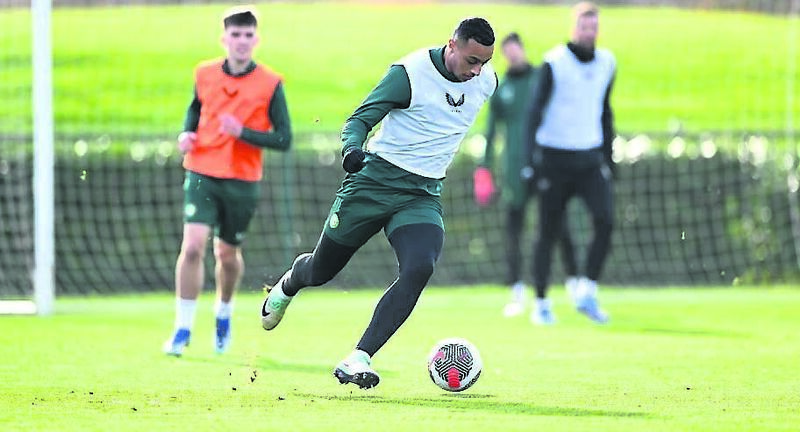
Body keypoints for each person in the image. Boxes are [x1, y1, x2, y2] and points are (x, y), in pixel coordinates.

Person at [259, 17, 497, 389]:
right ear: (451, 44)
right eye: (471, 60)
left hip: (421, 193)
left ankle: (359, 356)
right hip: (373, 183)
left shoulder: (486, 81)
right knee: (321, 271)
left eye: (484, 62)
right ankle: (290, 283)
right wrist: (352, 149)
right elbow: (360, 119)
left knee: (420, 267)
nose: (477, 70)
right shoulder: (409, 74)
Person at [163, 6, 292, 356]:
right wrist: (186, 134)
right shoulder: (204, 73)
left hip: (242, 179)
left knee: (227, 253)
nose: (242, 41)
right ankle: (183, 328)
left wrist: (244, 133)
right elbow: (195, 109)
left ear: (256, 40)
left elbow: (284, 139)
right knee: (192, 246)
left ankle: (223, 312)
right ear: (225, 38)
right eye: (235, 35)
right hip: (202, 170)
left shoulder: (270, 82)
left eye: (248, 35)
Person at [473, 32, 580, 323]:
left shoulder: (541, 80)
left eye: (515, 50)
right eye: (507, 53)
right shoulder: (502, 88)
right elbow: (491, 130)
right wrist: (484, 169)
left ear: (522, 49)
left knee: (558, 226)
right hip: (513, 169)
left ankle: (575, 284)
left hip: (546, 164)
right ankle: (516, 292)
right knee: (513, 232)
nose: (513, 56)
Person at [523, 1, 616, 324]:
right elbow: (533, 113)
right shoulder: (554, 62)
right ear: (573, 28)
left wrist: (609, 157)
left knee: (605, 220)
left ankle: (586, 290)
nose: (589, 32)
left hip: (589, 159)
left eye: (594, 26)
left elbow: (605, 110)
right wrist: (529, 162)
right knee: (548, 232)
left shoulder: (607, 62)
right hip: (554, 158)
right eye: (584, 26)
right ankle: (541, 302)